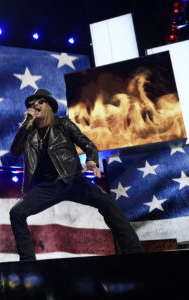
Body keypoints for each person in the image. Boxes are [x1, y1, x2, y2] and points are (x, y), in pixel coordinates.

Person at [9, 89, 144, 261]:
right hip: (47, 187)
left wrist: (92, 161)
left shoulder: (63, 124)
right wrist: (25, 128)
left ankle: (134, 252)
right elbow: (15, 151)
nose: (34, 105)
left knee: (105, 201)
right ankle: (28, 262)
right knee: (17, 212)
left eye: (40, 101)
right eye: (31, 104)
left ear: (49, 106)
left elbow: (88, 145)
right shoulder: (29, 132)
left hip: (73, 180)